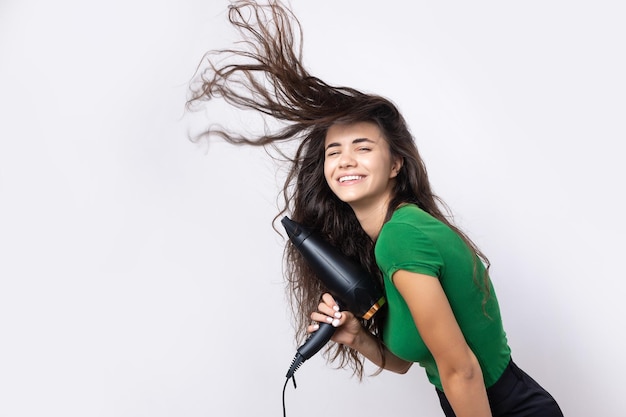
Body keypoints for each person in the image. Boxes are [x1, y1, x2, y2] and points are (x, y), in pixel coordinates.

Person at [187, 2, 564, 416]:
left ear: (395, 165)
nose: (346, 160)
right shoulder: (387, 241)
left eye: (362, 148)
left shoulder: (401, 236)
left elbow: (461, 370)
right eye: (335, 151)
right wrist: (356, 336)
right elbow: (413, 361)